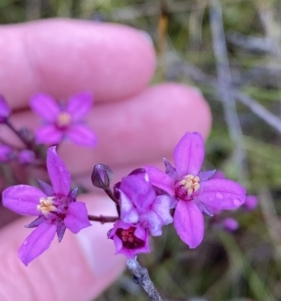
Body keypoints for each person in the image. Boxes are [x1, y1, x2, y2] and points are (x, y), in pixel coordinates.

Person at [0, 19, 212, 301]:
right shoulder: (68, 209)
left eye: (53, 205)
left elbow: (145, 184)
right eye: (52, 207)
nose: (51, 206)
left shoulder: (78, 206)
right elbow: (42, 180)